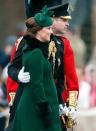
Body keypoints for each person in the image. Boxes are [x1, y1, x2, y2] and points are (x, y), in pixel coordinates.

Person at [11, 7, 62, 131]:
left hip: (38, 107)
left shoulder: (36, 51)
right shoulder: (36, 54)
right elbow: (37, 85)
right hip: (36, 110)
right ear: (39, 31)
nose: (51, 32)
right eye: (48, 28)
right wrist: (45, 111)